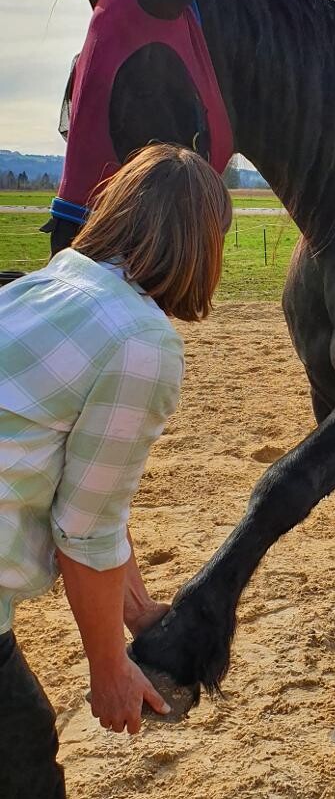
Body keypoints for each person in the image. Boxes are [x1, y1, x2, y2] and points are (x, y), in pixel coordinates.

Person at [0, 143, 232, 799]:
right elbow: (86, 528)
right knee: (21, 753)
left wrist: (138, 612)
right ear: (203, 246)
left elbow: (89, 492)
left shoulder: (50, 283)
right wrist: (109, 668)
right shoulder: (140, 342)